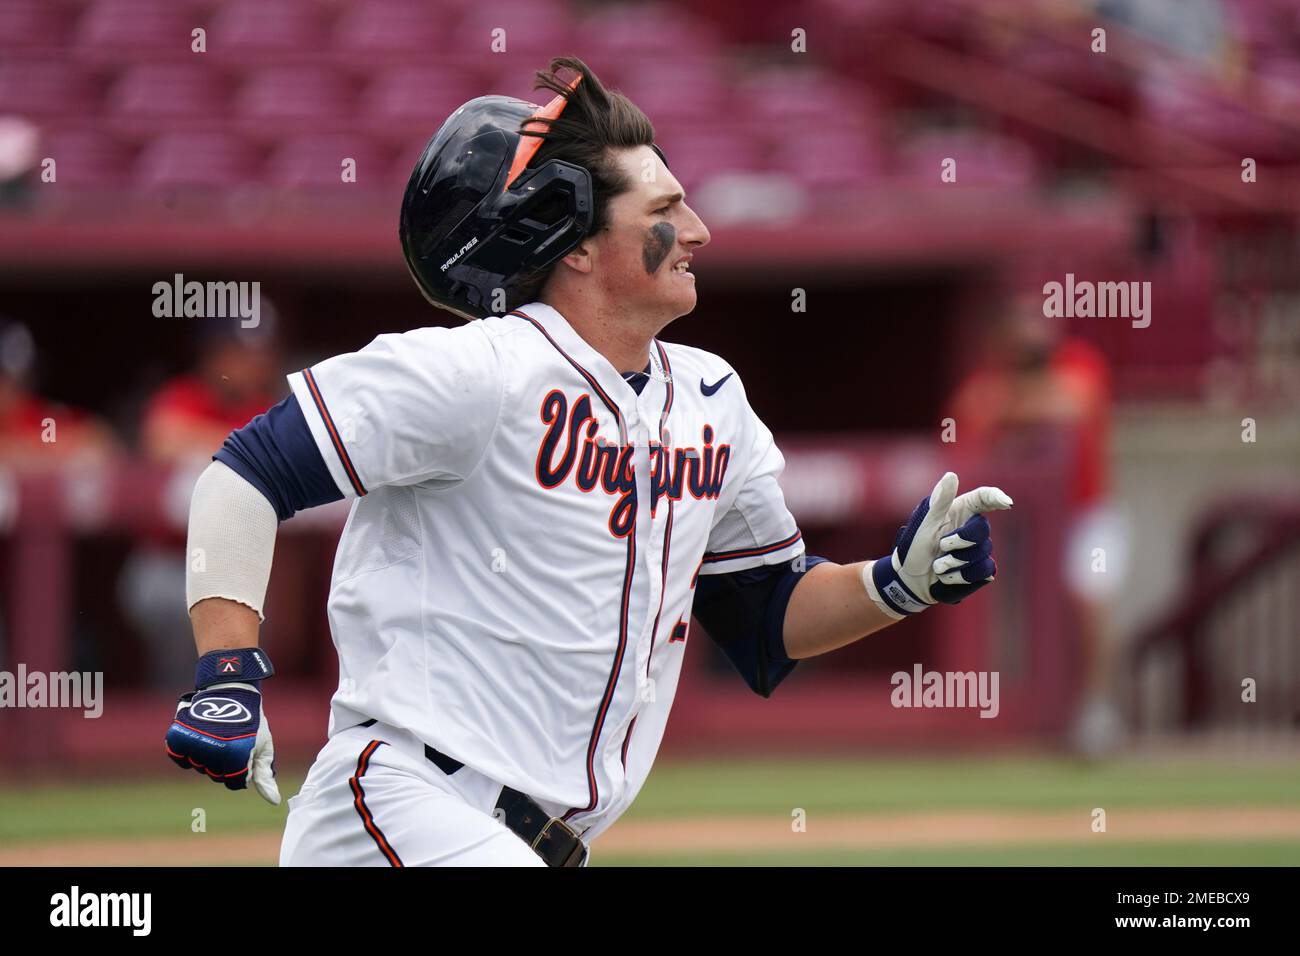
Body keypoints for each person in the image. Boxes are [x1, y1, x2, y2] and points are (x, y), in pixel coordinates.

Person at [165, 57, 1013, 867]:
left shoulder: (713, 397)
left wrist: (894, 585)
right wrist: (227, 672)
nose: (698, 230)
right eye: (664, 209)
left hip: (528, 838)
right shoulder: (479, 370)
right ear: (571, 243)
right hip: (406, 801)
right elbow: (244, 474)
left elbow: (764, 616)